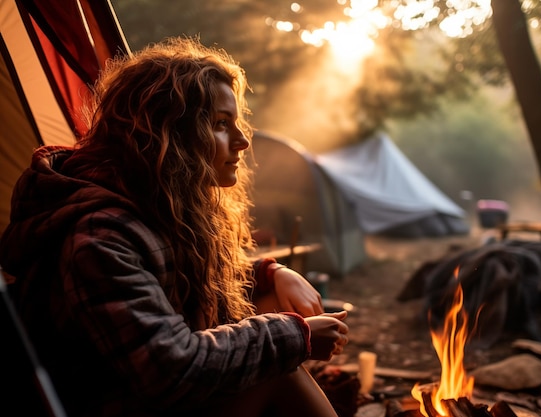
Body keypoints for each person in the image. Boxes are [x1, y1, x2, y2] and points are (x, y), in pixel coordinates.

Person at [0, 36, 349, 417]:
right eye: (219, 124)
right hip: (114, 404)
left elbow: (171, 281)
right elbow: (170, 369)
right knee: (278, 371)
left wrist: (269, 273)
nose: (243, 140)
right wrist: (295, 336)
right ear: (166, 134)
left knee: (266, 313)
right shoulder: (98, 236)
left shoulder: (151, 205)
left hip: (142, 397)